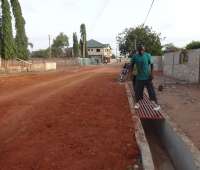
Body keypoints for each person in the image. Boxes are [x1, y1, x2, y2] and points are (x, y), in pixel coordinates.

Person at [130, 45, 160, 111]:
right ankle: (137, 104)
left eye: (143, 50)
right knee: (137, 91)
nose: (142, 51)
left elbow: (152, 64)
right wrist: (131, 73)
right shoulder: (135, 56)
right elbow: (131, 65)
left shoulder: (147, 55)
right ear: (138, 50)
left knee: (151, 91)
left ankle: (157, 105)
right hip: (139, 78)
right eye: (140, 50)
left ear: (144, 50)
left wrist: (152, 73)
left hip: (147, 77)